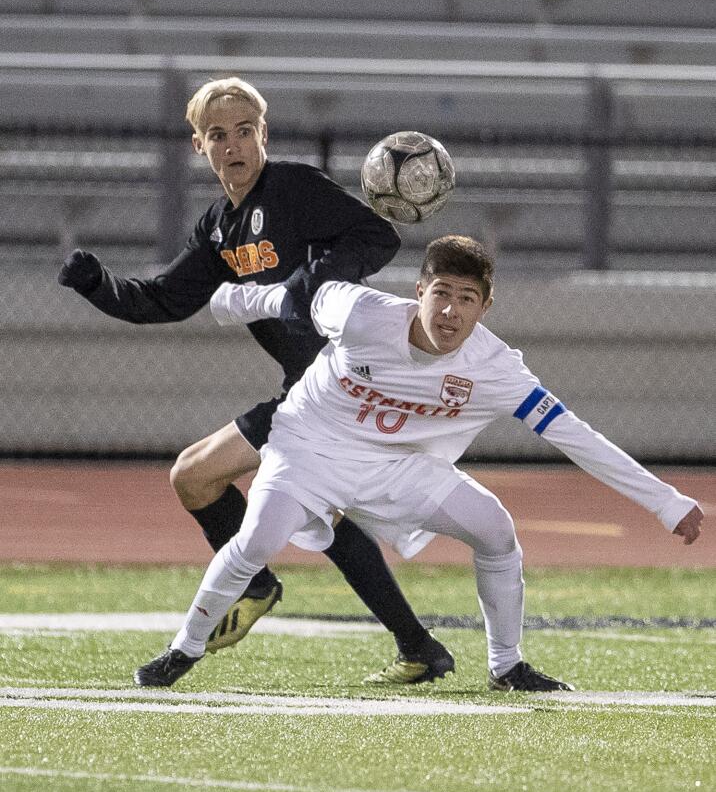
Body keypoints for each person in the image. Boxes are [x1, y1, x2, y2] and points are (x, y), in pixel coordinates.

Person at [134, 235, 703, 690]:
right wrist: (231, 300)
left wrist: (667, 502)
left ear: (485, 306)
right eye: (442, 293)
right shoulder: (359, 311)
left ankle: (507, 666)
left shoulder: (498, 368)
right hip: (309, 446)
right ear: (419, 290)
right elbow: (291, 296)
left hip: (397, 466)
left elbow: (578, 438)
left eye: (467, 298)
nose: (451, 311)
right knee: (258, 538)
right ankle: (183, 648)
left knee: (496, 529)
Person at [58, 76, 455, 685]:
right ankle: (413, 643)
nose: (234, 144)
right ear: (199, 145)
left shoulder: (292, 187)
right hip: (307, 392)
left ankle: (265, 591)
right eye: (218, 134)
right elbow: (162, 300)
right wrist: (99, 286)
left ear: (263, 134)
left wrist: (311, 285)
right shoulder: (219, 226)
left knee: (257, 492)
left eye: (245, 130)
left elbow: (377, 237)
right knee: (208, 482)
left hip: (345, 383)